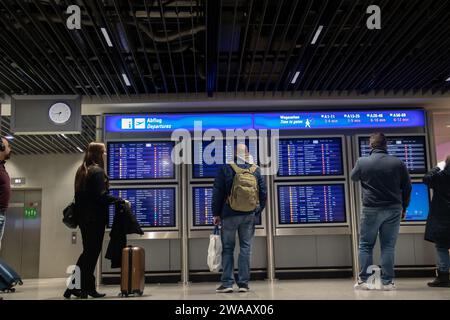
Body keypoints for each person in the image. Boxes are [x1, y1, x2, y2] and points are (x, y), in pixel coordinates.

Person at [351, 132, 411, 290]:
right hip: (393, 209)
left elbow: (353, 177)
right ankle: (387, 282)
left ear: (370, 145)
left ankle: (364, 281)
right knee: (388, 246)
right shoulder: (398, 162)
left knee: (365, 245)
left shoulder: (363, 162)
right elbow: (407, 187)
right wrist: (404, 207)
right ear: (386, 145)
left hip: (371, 209)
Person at [64, 142, 120, 299]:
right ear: (98, 154)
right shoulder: (97, 171)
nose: (106, 155)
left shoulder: (82, 171)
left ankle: (85, 287)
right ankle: (74, 287)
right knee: (91, 254)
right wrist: (119, 200)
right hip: (95, 219)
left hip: (84, 220)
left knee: (88, 253)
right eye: (104, 152)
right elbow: (101, 197)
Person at [212, 143, 267, 293]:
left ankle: (227, 283)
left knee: (228, 248)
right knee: (246, 248)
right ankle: (243, 284)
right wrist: (256, 211)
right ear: (247, 153)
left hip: (229, 214)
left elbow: (218, 192)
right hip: (248, 215)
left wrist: (216, 214)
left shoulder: (226, 168)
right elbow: (263, 194)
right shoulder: (255, 170)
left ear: (235, 153)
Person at [423, 156, 450, 288]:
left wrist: (437, 167)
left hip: (442, 218)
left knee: (442, 247)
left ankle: (444, 277)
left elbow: (426, 178)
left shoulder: (440, 176)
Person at [0, 137, 12, 251]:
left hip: (2, 212)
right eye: (8, 146)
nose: (10, 148)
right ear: (1, 147)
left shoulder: (2, 166)